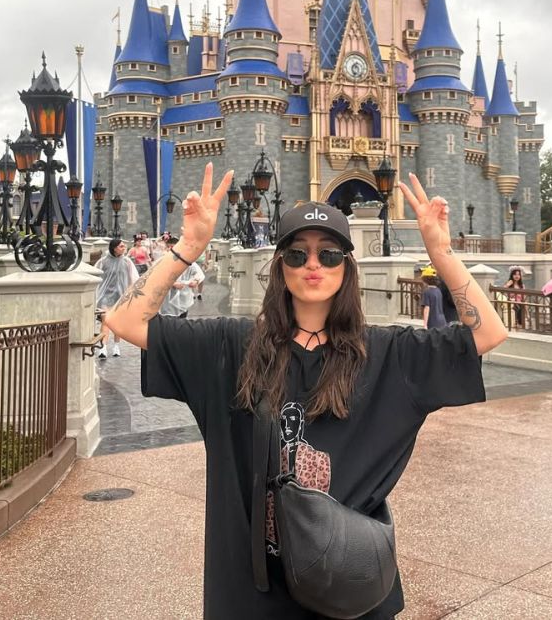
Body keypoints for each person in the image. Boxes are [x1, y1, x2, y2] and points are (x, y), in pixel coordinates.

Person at [103, 164, 508, 618]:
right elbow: (124, 322)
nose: (312, 264)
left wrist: (442, 252)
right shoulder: (230, 348)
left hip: (349, 587)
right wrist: (187, 249)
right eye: (297, 254)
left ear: (346, 267)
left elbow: (488, 333)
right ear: (280, 267)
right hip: (254, 597)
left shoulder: (388, 354)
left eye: (329, 254)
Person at [94, 238, 139, 358]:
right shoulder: (103, 262)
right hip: (105, 296)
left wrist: (131, 295)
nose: (124, 248)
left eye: (124, 246)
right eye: (121, 246)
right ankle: (103, 348)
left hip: (121, 297)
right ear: (114, 248)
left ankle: (116, 346)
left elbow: (134, 278)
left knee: (117, 322)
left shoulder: (127, 262)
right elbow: (94, 276)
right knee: (106, 321)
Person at [158, 234, 205, 319]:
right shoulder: (163, 261)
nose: (170, 249)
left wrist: (196, 281)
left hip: (183, 298)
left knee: (182, 320)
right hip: (168, 299)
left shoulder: (187, 261)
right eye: (168, 247)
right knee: (169, 320)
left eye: (173, 247)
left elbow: (198, 273)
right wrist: (173, 283)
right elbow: (158, 277)